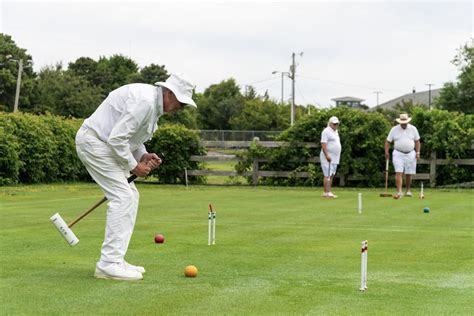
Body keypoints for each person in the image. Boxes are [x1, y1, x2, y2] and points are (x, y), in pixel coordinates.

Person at [75, 73, 197, 281]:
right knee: (123, 196)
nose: (181, 108)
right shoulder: (145, 102)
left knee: (130, 195)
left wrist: (142, 156)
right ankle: (108, 264)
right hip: (94, 143)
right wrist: (134, 167)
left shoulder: (152, 106)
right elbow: (116, 139)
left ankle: (116, 259)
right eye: (181, 102)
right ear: (169, 93)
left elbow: (131, 139)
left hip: (103, 144)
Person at [385, 113, 421, 199]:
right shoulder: (394, 129)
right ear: (400, 122)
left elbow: (417, 141)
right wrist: (386, 152)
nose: (403, 124)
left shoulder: (413, 129)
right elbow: (388, 141)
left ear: (407, 121)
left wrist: (418, 152)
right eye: (402, 122)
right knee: (398, 172)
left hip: (410, 153)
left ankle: (408, 190)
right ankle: (399, 191)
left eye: (405, 122)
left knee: (409, 173)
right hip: (398, 153)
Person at [320, 116, 341, 198]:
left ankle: (329, 191)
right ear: (330, 123)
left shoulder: (336, 131)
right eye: (334, 124)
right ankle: (326, 192)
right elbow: (323, 144)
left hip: (335, 157)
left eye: (337, 124)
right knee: (327, 174)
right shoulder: (326, 131)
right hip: (328, 157)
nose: (336, 125)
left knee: (331, 174)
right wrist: (327, 155)